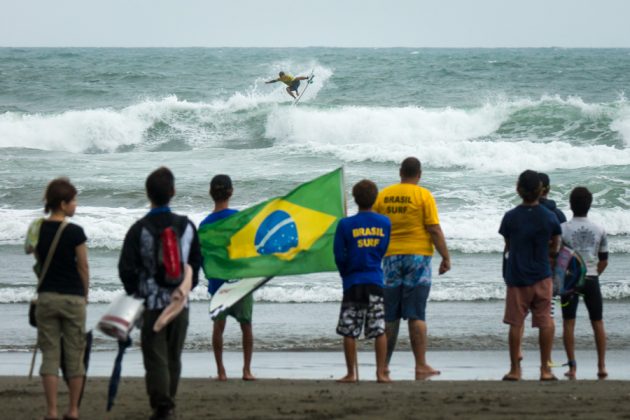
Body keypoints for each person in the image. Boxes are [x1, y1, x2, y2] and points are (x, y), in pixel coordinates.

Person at [118, 167, 201, 420]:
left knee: (155, 356)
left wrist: (137, 294)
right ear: (173, 192)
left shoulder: (139, 229)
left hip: (152, 303)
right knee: (173, 356)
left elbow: (126, 268)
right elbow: (195, 264)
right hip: (180, 303)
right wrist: (185, 288)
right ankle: (170, 402)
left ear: (148, 194)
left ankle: (162, 405)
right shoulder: (187, 227)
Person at [374, 157, 450, 379]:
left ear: (400, 172)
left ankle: (383, 367)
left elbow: (376, 227)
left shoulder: (383, 195)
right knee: (416, 313)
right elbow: (434, 228)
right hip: (418, 258)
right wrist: (445, 256)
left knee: (390, 315)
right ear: (419, 174)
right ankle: (420, 365)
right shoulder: (423, 195)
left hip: (390, 258)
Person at [30, 178, 89, 420]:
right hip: (72, 298)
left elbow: (37, 259)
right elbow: (83, 267)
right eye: (73, 200)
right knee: (75, 354)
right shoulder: (75, 232)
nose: (76, 205)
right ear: (63, 204)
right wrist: (85, 295)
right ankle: (73, 410)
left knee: (50, 355)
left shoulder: (37, 228)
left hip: (46, 297)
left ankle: (52, 411)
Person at [499, 169, 561, 381]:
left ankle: (515, 370)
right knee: (544, 322)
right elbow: (555, 246)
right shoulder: (549, 217)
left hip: (517, 277)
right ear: (541, 190)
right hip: (543, 276)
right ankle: (545, 369)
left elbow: (508, 245)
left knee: (516, 323)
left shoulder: (510, 217)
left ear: (518, 190)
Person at [334, 179, 391, 383]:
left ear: (355, 199)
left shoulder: (345, 224)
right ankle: (380, 373)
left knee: (350, 329)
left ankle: (351, 373)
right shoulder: (385, 223)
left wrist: (345, 273)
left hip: (353, 281)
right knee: (379, 328)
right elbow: (382, 249)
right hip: (375, 279)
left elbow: (339, 256)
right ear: (375, 199)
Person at [199, 174, 256, 381]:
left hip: (217, 283)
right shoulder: (238, 219)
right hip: (240, 281)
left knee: (218, 327)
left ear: (210, 193)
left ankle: (221, 371)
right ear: (231, 192)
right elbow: (248, 249)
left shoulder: (205, 225)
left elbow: (203, 256)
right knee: (246, 325)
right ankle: (246, 370)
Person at [560, 187, 609, 379]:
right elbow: (604, 260)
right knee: (597, 322)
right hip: (591, 278)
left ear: (571, 205)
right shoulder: (599, 229)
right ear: (590, 205)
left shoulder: (563, 228)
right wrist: (594, 274)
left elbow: (559, 259)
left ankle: (572, 368)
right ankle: (601, 366)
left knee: (569, 323)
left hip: (570, 281)